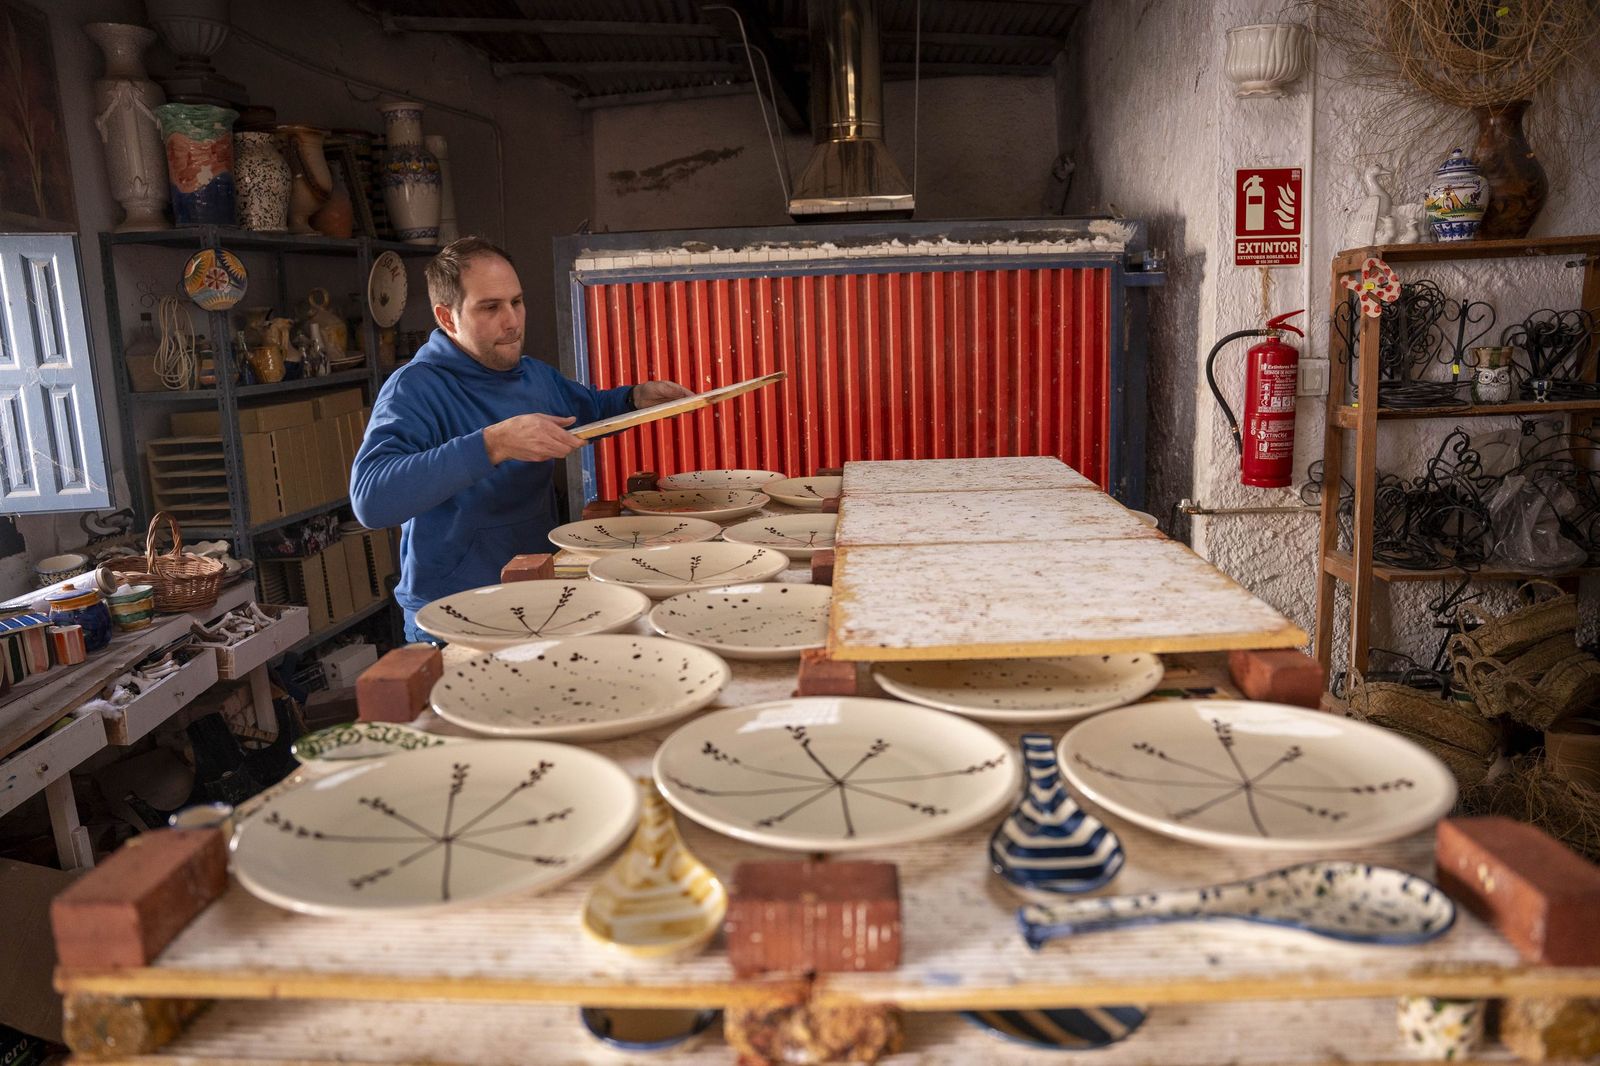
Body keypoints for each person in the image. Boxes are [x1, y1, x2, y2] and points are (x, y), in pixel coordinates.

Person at [350, 236, 691, 642]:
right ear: (447, 317)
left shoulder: (534, 375)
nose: (512, 322)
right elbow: (370, 500)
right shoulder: (414, 388)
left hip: (540, 597)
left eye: (517, 302)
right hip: (453, 618)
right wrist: (493, 444)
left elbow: (591, 412)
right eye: (491, 307)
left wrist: (635, 398)